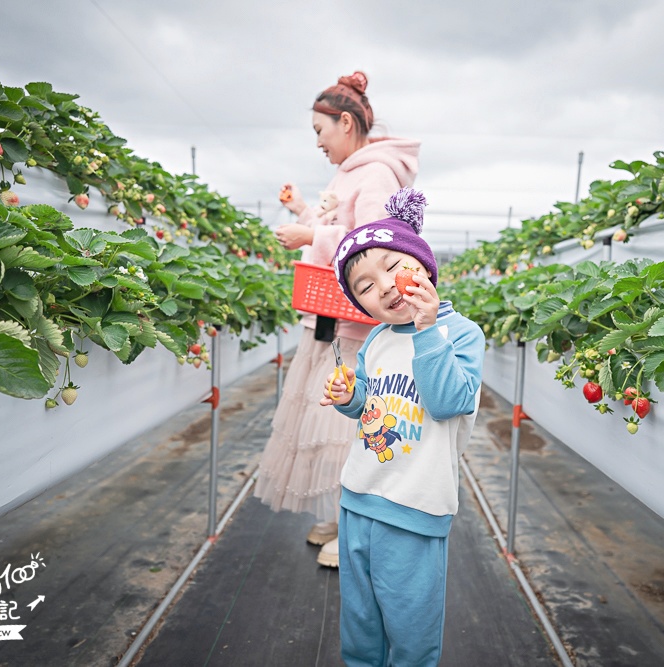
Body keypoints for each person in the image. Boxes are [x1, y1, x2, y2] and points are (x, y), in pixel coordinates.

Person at [253, 71, 420, 567]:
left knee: (351, 421)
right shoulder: (352, 171)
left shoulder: (376, 174)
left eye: (320, 131)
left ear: (345, 122)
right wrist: (304, 212)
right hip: (328, 318)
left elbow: (371, 243)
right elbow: (338, 225)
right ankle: (339, 515)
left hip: (352, 323)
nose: (319, 142)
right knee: (330, 420)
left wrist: (309, 238)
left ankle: (355, 531)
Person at [321, 188, 485, 666]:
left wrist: (427, 328)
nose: (386, 286)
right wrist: (351, 398)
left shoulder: (460, 334)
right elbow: (371, 405)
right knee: (360, 623)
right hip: (359, 496)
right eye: (366, 286)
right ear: (361, 305)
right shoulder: (376, 339)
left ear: (424, 264)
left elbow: (448, 402)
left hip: (415, 508)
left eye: (394, 266)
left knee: (411, 632)